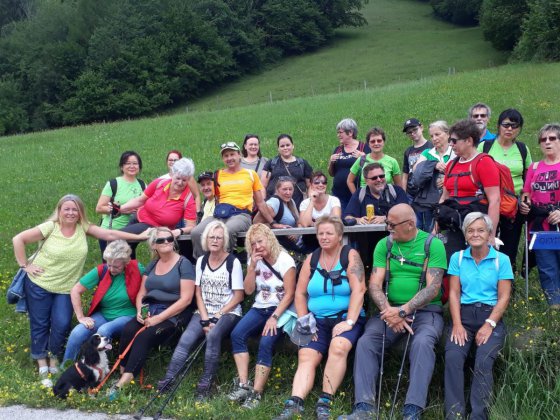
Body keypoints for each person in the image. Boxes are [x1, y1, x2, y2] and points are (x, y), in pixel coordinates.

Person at [12, 194, 149, 387]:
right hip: (39, 284)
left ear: (80, 213)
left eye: (74, 209)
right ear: (59, 211)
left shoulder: (83, 228)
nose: (70, 212)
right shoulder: (50, 227)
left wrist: (140, 236)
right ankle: (44, 365)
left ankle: (56, 361)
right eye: (66, 209)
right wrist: (25, 265)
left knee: (61, 324)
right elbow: (18, 239)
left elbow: (110, 235)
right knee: (40, 324)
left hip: (65, 288)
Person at [339, 204, 447, 420]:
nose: (387, 227)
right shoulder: (384, 245)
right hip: (389, 310)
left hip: (426, 312)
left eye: (392, 224)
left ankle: (413, 409)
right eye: (387, 223)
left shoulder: (432, 245)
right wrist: (390, 311)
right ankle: (364, 407)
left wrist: (404, 310)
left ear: (410, 224)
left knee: (423, 343)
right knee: (367, 341)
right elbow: (375, 284)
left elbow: (433, 287)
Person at [275, 216, 367, 420]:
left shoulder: (350, 256)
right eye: (320, 233)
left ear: (340, 236)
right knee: (306, 355)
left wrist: (349, 322)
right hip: (316, 320)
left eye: (329, 233)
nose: (324, 237)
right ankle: (295, 402)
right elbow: (300, 294)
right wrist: (304, 321)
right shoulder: (312, 258)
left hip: (346, 317)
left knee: (338, 347)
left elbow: (359, 290)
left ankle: (325, 400)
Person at [158, 221, 244, 399]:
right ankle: (168, 380)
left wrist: (217, 316)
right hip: (204, 311)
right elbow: (198, 292)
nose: (215, 240)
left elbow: (238, 296)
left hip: (228, 311)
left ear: (224, 240)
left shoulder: (232, 262)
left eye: (219, 238)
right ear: (206, 239)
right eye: (211, 237)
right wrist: (205, 318)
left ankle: (205, 384)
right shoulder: (202, 261)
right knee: (186, 339)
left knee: (212, 336)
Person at [107, 227, 196, 399]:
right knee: (128, 330)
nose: (167, 242)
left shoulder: (183, 264)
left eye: (169, 239)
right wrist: (141, 310)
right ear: (154, 245)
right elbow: (142, 293)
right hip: (151, 309)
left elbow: (185, 300)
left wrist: (159, 319)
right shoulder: (153, 264)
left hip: (172, 313)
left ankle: (122, 384)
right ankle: (124, 373)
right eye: (161, 240)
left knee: (144, 337)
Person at [444, 212, 513, 420]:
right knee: (453, 357)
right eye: (471, 230)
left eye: (481, 230)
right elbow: (454, 294)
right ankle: (454, 414)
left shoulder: (502, 260)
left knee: (483, 360)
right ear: (465, 235)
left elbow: (504, 297)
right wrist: (456, 324)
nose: (475, 234)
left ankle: (478, 415)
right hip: (463, 315)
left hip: (490, 315)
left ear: (489, 233)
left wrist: (489, 324)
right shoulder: (458, 257)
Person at [229, 224, 296, 409]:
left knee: (266, 342)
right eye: (253, 243)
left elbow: (290, 294)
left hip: (280, 308)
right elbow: (249, 291)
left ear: (269, 239)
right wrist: (251, 268)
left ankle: (256, 394)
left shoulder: (285, 260)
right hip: (260, 306)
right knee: (237, 334)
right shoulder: (255, 259)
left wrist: (274, 317)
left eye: (260, 241)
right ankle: (244, 384)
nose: (257, 246)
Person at [62, 240, 144, 364]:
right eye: (109, 264)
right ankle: (65, 368)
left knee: (104, 330)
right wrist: (80, 317)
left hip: (128, 314)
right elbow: (75, 290)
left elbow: (149, 287)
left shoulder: (137, 268)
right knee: (77, 332)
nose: (111, 269)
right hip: (104, 314)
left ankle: (99, 367)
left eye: (116, 266)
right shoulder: (102, 270)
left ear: (126, 262)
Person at [191, 142, 275, 259]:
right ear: (223, 159)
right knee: (196, 232)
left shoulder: (251, 174)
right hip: (220, 214)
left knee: (227, 231)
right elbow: (207, 192)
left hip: (241, 215)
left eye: (232, 154)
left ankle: (224, 263)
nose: (229, 158)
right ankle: (203, 264)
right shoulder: (218, 174)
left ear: (239, 155)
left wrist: (273, 223)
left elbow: (260, 202)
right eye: (226, 156)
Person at [437, 119, 500, 261]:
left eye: (454, 141)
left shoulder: (484, 162)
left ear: (469, 141)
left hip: (477, 227)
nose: (451, 145)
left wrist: (491, 235)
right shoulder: (451, 165)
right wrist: (436, 226)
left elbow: (494, 200)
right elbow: (444, 198)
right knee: (452, 265)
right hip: (454, 225)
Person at [478, 109, 532, 272]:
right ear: (498, 126)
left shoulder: (522, 149)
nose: (509, 129)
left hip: (513, 206)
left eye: (514, 126)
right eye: (506, 125)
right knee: (485, 242)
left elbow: (529, 178)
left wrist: (525, 200)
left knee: (510, 247)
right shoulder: (485, 146)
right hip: (487, 203)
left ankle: (508, 283)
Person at [118, 158, 197, 257]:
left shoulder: (188, 199)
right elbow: (140, 200)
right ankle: (128, 268)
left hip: (153, 226)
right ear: (172, 175)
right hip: (138, 217)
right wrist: (119, 208)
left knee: (117, 237)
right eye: (178, 178)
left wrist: (179, 231)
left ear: (189, 179)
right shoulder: (159, 183)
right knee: (124, 248)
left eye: (184, 180)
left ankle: (128, 269)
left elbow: (191, 226)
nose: (180, 182)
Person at [520, 123, 560, 307]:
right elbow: (526, 194)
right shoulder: (534, 168)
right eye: (543, 139)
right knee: (547, 269)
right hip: (540, 228)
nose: (547, 142)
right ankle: (554, 309)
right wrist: (524, 206)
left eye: (552, 138)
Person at [343, 163, 408, 270]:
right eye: (374, 178)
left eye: (382, 176)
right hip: (367, 248)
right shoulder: (360, 193)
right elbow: (347, 217)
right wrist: (358, 219)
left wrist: (385, 218)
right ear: (366, 180)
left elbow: (407, 213)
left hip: (396, 245)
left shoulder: (396, 191)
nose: (379, 179)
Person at [95, 151, 146, 254]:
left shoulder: (143, 185)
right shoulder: (113, 184)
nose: (132, 166)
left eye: (135, 163)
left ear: (139, 167)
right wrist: (121, 210)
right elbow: (99, 208)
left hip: (131, 233)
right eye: (128, 163)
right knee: (111, 267)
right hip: (111, 233)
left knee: (129, 264)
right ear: (122, 167)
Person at [411, 121, 455, 231]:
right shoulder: (427, 153)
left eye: (437, 134)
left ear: (448, 134)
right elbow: (416, 174)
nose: (434, 138)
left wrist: (447, 180)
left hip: (451, 201)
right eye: (431, 136)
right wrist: (433, 165)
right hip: (429, 202)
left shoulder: (455, 152)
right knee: (428, 232)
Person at [254, 176, 304, 253]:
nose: (288, 192)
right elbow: (257, 223)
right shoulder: (274, 202)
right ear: (277, 190)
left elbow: (299, 222)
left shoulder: (291, 202)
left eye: (290, 189)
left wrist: (295, 234)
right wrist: (277, 226)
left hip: (291, 244)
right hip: (278, 246)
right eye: (284, 189)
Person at [328, 118, 370, 211]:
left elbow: (372, 169)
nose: (338, 135)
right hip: (338, 194)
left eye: (340, 132)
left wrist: (364, 157)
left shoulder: (364, 148)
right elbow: (332, 173)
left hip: (357, 193)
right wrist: (330, 162)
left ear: (350, 132)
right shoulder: (338, 149)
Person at [261, 134, 313, 207]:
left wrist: (310, 201)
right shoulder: (271, 163)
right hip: (275, 206)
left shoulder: (302, 163)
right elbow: (262, 186)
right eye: (282, 146)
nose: (285, 148)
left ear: (293, 146)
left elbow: (310, 185)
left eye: (288, 145)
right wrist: (263, 202)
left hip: (298, 205)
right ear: (278, 148)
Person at [346, 127, 401, 194]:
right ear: (368, 144)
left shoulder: (392, 162)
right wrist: (356, 197)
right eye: (372, 141)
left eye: (379, 140)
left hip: (386, 200)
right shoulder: (361, 160)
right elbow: (349, 181)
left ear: (383, 142)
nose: (376, 143)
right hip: (365, 200)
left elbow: (399, 187)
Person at [159, 150, 201, 215]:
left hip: (184, 213)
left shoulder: (187, 177)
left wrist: (197, 213)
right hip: (166, 213)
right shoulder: (162, 179)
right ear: (167, 161)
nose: (172, 162)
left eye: (175, 160)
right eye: (170, 160)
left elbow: (196, 196)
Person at [401, 118, 433, 201]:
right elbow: (405, 174)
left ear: (421, 128)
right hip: (411, 193)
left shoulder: (431, 146)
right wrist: (403, 193)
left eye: (415, 130)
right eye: (409, 132)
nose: (412, 133)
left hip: (427, 191)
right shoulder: (408, 151)